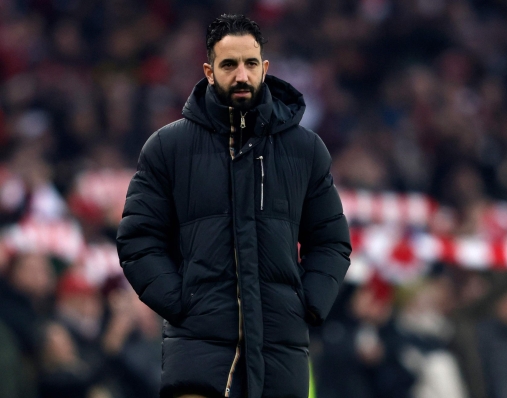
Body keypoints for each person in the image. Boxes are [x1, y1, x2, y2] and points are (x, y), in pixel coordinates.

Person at [116, 14, 351, 398]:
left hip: (280, 357)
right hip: (197, 357)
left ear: (265, 67)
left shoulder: (305, 150)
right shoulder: (168, 148)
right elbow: (138, 239)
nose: (241, 75)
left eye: (250, 63)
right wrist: (181, 303)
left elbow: (331, 241)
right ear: (209, 71)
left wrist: (306, 304)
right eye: (229, 65)